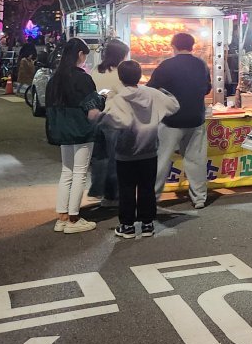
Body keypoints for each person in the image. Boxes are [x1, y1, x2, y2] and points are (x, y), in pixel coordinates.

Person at [92, 60, 179, 239]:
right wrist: (163, 92)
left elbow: (113, 121)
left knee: (126, 189)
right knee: (147, 187)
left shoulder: (118, 98)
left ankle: (127, 226)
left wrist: (98, 117)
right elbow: (174, 106)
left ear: (120, 78)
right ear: (139, 75)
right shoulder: (152, 93)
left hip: (125, 153)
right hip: (149, 150)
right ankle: (147, 224)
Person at [45, 38, 101, 234]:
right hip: (81, 131)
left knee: (66, 172)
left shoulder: (54, 80)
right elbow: (92, 108)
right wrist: (102, 99)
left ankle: (62, 217)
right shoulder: (83, 78)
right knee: (79, 173)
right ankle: (74, 219)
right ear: (80, 54)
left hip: (62, 131)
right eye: (85, 54)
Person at [150, 33, 212, 208]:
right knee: (196, 160)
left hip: (171, 120)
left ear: (173, 46)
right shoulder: (201, 65)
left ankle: (152, 198)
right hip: (196, 119)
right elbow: (207, 88)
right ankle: (199, 198)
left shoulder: (166, 65)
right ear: (192, 46)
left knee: (161, 161)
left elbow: (151, 89)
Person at [88, 39, 129, 208]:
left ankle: (99, 191)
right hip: (114, 119)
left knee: (99, 157)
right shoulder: (120, 72)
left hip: (96, 118)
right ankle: (112, 196)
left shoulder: (95, 70)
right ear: (120, 55)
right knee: (115, 158)